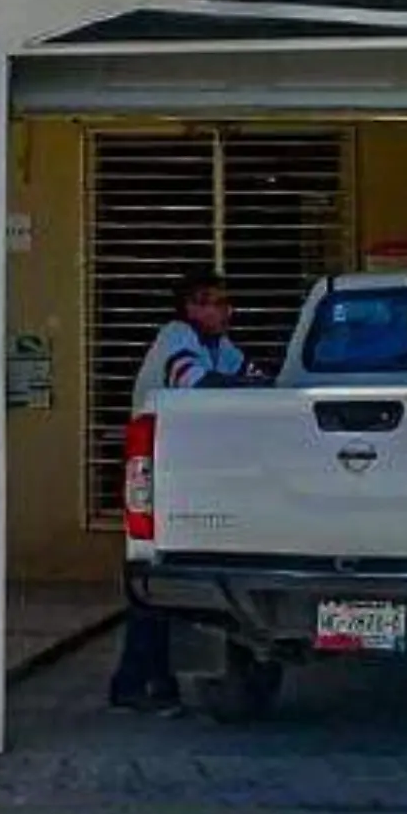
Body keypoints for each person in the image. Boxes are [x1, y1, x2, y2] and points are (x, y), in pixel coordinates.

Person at [109, 269, 267, 714]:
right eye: (214, 303)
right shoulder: (177, 339)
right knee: (155, 581)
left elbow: (257, 378)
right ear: (190, 307)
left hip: (192, 475)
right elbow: (196, 384)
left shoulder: (220, 346)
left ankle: (148, 681)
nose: (225, 311)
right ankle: (137, 684)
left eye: (226, 302)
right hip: (158, 474)